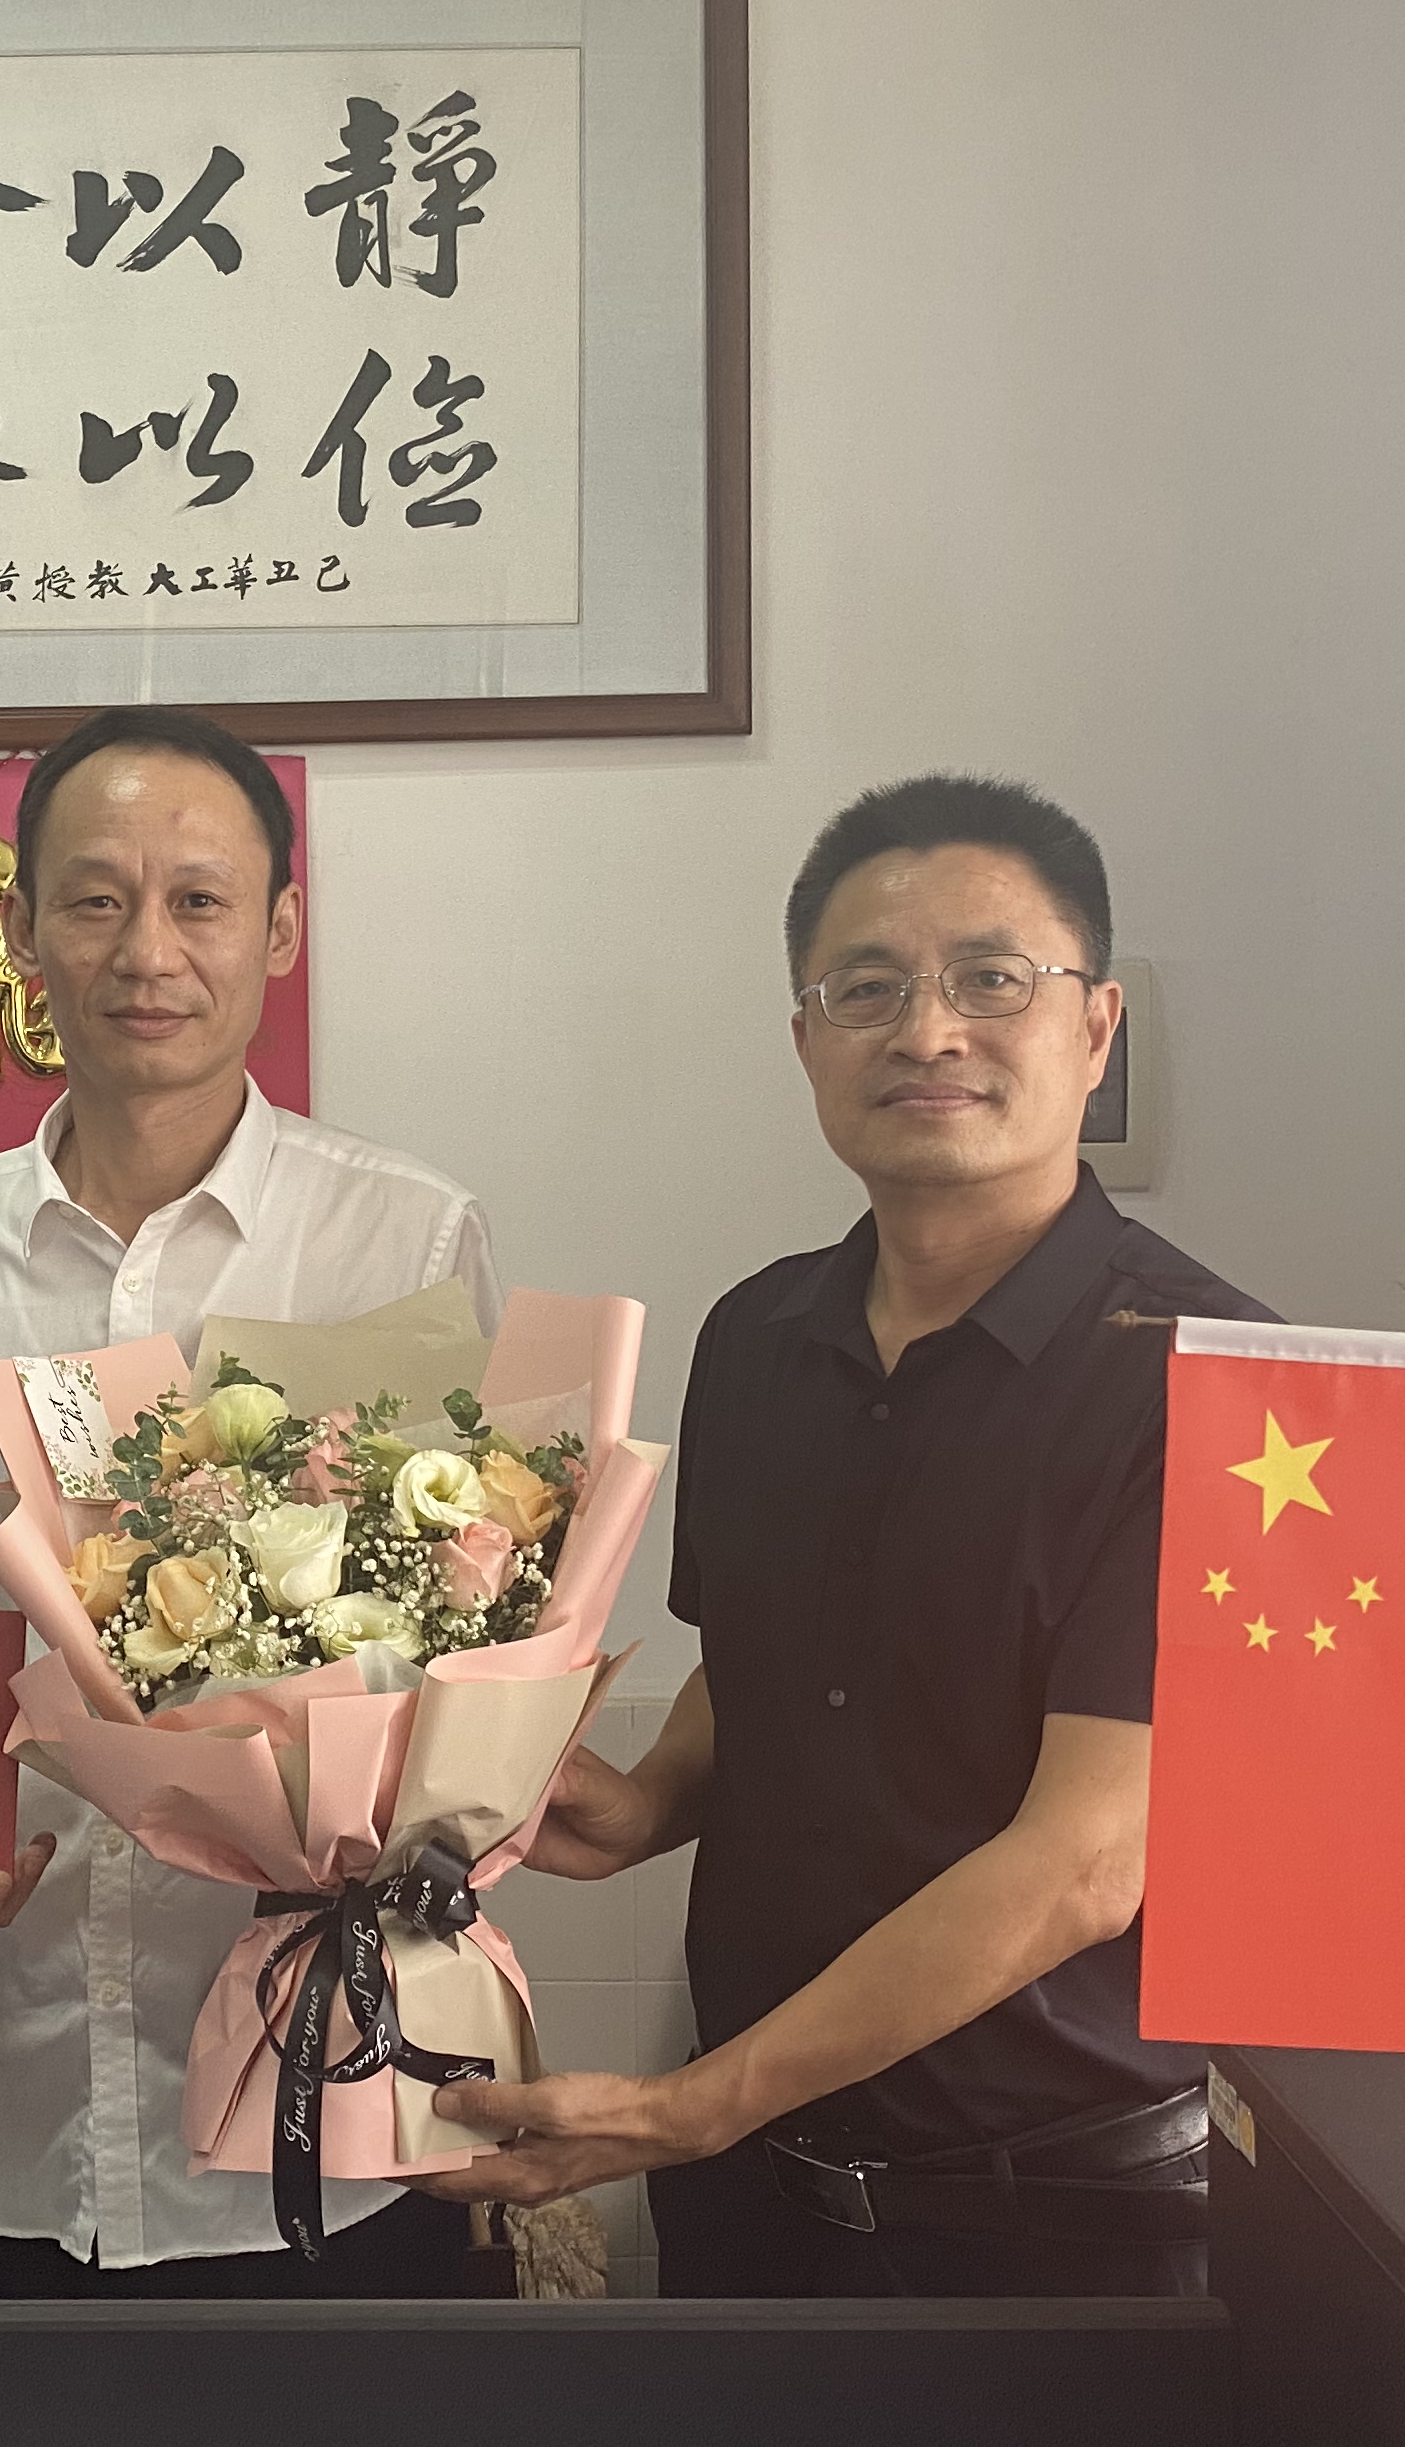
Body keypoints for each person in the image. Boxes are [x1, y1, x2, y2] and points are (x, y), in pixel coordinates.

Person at [429, 776, 1270, 2297]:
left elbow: (1088, 1863)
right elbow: (758, 1661)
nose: (928, 1032)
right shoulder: (756, 1338)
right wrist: (644, 1803)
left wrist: (694, 2104)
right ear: (807, 1041)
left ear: (1095, 1028)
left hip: (1061, 2222)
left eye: (992, 979)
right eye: (866, 989)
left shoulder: (1216, 1385)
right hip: (750, 2203)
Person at [0, 706, 503, 2296]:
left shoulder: (408, 1245)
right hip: (0, 2111)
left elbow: (476, 1653)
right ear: (21, 933)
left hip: (330, 2103)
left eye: (199, 900)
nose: (146, 950)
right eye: (93, 900)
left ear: (279, 931)